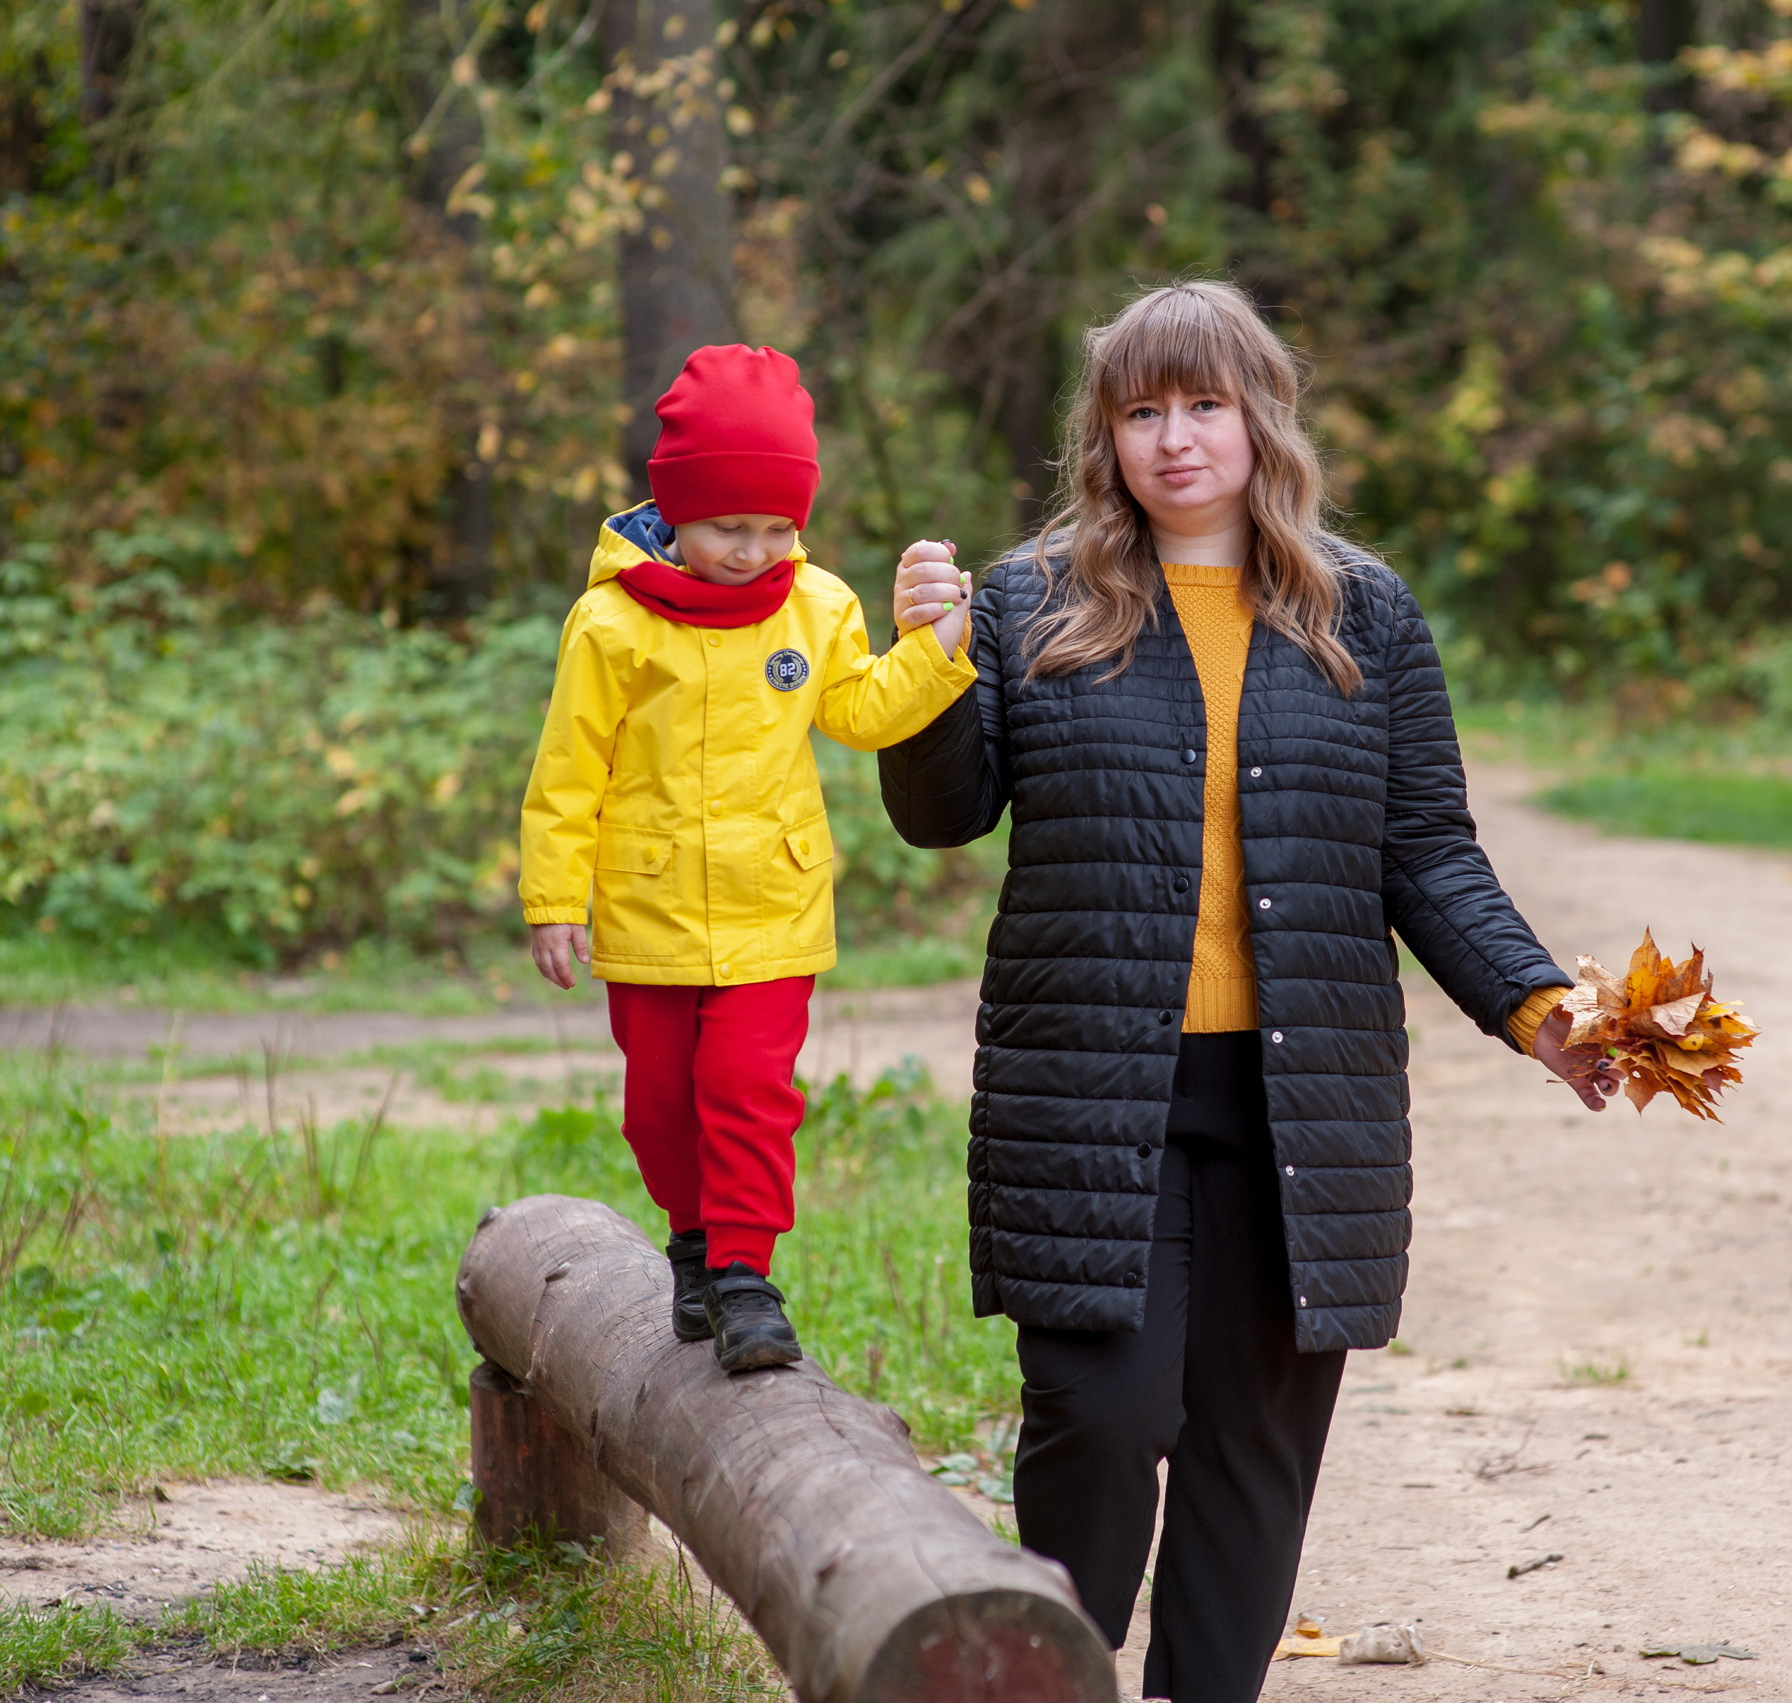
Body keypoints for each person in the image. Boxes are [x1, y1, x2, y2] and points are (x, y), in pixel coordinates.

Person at [878, 283, 1618, 1703]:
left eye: (1202, 404)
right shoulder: (1032, 600)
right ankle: (1059, 1675)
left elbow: (1427, 850)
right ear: (1106, 435)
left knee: (1252, 1445)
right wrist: (928, 667)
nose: (1174, 438)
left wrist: (1538, 1008)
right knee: (1100, 1409)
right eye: (1141, 410)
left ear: (1260, 417)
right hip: (1096, 1094)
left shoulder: (1364, 613)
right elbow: (944, 811)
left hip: (1304, 1097)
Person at [519, 343, 978, 1373]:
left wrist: (935, 649)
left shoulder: (814, 603)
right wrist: (555, 896)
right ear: (673, 508)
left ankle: (745, 1275)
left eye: (778, 528)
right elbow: (567, 770)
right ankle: (691, 1241)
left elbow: (858, 710)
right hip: (647, 910)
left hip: (772, 903)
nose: (753, 548)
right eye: (730, 525)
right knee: (661, 1105)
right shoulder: (610, 622)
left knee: (748, 1090)